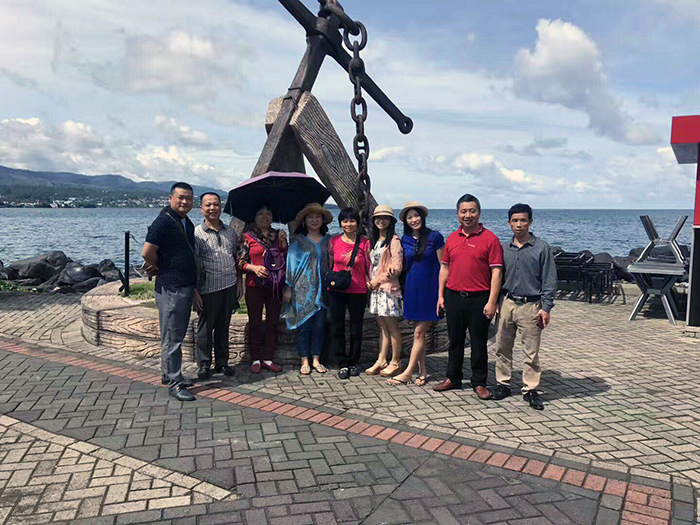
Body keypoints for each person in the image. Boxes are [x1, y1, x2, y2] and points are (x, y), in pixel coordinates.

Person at [433, 194, 503, 400]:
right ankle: (453, 378)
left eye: (472, 211)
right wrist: (440, 296)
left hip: (479, 298)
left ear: (479, 213)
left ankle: (479, 382)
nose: (468, 215)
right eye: (463, 211)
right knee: (454, 340)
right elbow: (444, 268)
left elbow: (497, 272)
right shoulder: (452, 238)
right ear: (457, 214)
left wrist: (492, 301)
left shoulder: (490, 239)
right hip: (454, 296)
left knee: (478, 342)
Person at [491, 203, 557, 411]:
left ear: (530, 222)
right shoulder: (503, 249)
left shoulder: (542, 248)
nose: (519, 224)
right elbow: (496, 276)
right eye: (515, 221)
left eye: (523, 220)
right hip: (506, 303)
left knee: (531, 351)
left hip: (531, 305)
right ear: (509, 223)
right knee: (502, 347)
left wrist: (546, 307)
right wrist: (495, 302)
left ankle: (530, 389)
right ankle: (503, 383)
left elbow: (549, 280)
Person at [142, 182, 199, 402]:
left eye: (189, 198)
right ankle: (175, 383)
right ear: (170, 198)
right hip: (171, 286)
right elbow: (147, 252)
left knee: (174, 333)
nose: (185, 202)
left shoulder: (186, 222)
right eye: (181, 197)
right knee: (173, 336)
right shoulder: (164, 221)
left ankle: (169, 375)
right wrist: (162, 266)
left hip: (184, 285)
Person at [387, 202, 445, 386]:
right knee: (417, 333)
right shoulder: (404, 240)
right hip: (412, 289)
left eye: (416, 215)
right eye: (410, 217)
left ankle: (407, 373)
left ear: (423, 217)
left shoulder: (435, 237)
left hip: (430, 290)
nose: (414, 220)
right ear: (406, 221)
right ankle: (423, 371)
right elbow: (401, 263)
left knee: (420, 332)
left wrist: (442, 293)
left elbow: (444, 266)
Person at [194, 192, 244, 381]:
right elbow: (194, 265)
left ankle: (222, 362)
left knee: (224, 326)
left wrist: (239, 283)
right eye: (208, 205)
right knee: (205, 328)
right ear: (201, 208)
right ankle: (204, 364)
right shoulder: (197, 234)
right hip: (208, 288)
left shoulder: (230, 232)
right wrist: (195, 292)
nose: (212, 208)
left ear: (220, 207)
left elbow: (236, 258)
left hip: (229, 285)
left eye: (215, 204)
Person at [282, 203, 331, 375]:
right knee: (304, 326)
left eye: (318, 217)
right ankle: (304, 359)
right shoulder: (298, 242)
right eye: (311, 217)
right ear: (304, 221)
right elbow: (290, 265)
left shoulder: (329, 240)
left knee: (319, 326)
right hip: (302, 289)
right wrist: (288, 288)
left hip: (323, 290)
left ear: (323, 220)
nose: (314, 220)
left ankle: (316, 358)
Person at [239, 205, 288, 373]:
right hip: (254, 284)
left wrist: (283, 243)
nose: (265, 217)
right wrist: (254, 268)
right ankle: (255, 358)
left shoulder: (278, 235)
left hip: (274, 284)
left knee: (273, 321)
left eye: (268, 214)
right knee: (255, 322)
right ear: (254, 217)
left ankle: (268, 357)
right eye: (260, 213)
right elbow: (239, 261)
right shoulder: (246, 236)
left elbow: (285, 258)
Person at [327, 207, 371, 380]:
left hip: (358, 289)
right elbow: (330, 264)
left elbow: (369, 266)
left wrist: (370, 281)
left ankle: (353, 361)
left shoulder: (364, 243)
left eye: (352, 220)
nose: (348, 224)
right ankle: (341, 362)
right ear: (340, 223)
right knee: (337, 326)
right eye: (345, 221)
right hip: (336, 289)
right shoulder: (334, 241)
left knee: (356, 327)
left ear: (357, 223)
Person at [365, 206, 404, 378]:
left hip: (388, 290)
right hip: (376, 290)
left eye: (385, 218)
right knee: (382, 326)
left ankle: (395, 361)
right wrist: (369, 280)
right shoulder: (376, 241)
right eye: (378, 218)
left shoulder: (394, 241)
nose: (381, 221)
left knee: (392, 326)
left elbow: (396, 268)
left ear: (391, 221)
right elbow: (373, 265)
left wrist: (377, 280)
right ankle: (381, 359)